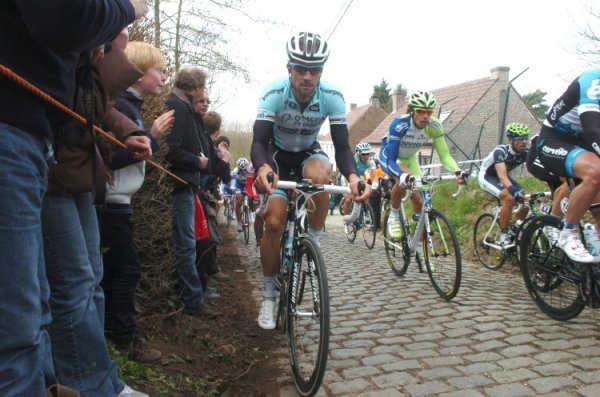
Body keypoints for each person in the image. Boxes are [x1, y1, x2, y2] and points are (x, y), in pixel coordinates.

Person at [0, 1, 148, 396]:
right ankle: (93, 384)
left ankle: (79, 381)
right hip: (28, 145)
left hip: (39, 146)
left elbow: (90, 105)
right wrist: (126, 10)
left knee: (54, 299)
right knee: (30, 320)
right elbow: (63, 18)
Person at [251, 32, 369, 330]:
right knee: (275, 223)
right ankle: (268, 295)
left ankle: (313, 241)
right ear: (289, 67)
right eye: (300, 69)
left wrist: (354, 177)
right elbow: (259, 140)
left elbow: (342, 147)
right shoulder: (273, 92)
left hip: (308, 154)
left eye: (314, 70)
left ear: (321, 72)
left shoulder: (332, 96)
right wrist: (263, 167)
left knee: (321, 175)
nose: (306, 76)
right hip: (276, 156)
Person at [99, 41, 174, 363]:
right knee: (125, 270)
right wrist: (153, 137)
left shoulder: (131, 107)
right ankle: (123, 339)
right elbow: (111, 158)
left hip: (119, 201)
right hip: (111, 202)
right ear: (139, 73)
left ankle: (113, 335)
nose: (163, 77)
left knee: (115, 270)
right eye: (159, 70)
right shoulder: (123, 107)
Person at [378, 91, 466, 250]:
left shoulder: (435, 126)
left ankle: (418, 247)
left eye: (429, 112)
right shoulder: (400, 124)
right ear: (413, 110)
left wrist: (457, 171)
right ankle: (394, 214)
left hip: (411, 158)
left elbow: (445, 156)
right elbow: (391, 160)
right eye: (421, 111)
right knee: (404, 180)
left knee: (422, 201)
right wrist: (402, 175)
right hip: (391, 156)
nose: (425, 116)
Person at [165, 67, 220, 317]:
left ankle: (194, 297)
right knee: (186, 244)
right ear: (196, 87)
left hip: (188, 183)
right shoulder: (177, 105)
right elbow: (171, 150)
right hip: (181, 182)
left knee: (191, 241)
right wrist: (198, 162)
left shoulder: (182, 105)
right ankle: (192, 301)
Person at [535, 69, 600, 262]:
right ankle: (569, 231)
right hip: (555, 140)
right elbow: (593, 132)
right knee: (596, 172)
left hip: (584, 145)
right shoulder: (593, 80)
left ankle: (590, 284)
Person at [478, 122, 531, 246]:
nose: (524, 142)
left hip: (503, 177)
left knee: (527, 200)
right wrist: (513, 190)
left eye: (525, 138)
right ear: (510, 140)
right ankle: (504, 235)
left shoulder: (524, 153)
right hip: (488, 176)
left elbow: (538, 169)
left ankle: (516, 229)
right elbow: (502, 177)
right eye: (520, 139)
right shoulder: (500, 151)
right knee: (509, 198)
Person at [342, 141, 377, 216]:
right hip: (347, 177)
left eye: (368, 154)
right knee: (348, 199)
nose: (366, 156)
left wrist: (375, 184)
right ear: (359, 154)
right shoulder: (354, 161)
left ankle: (365, 212)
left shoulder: (370, 162)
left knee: (366, 194)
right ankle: (346, 219)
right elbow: (347, 176)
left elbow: (374, 176)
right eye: (364, 154)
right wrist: (347, 185)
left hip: (357, 177)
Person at [231, 157, 252, 233]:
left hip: (247, 185)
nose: (243, 171)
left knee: (251, 198)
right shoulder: (235, 171)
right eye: (241, 169)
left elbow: (253, 181)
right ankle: (239, 223)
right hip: (238, 185)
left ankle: (249, 214)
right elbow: (233, 182)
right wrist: (233, 188)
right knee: (239, 201)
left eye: (244, 170)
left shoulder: (250, 170)